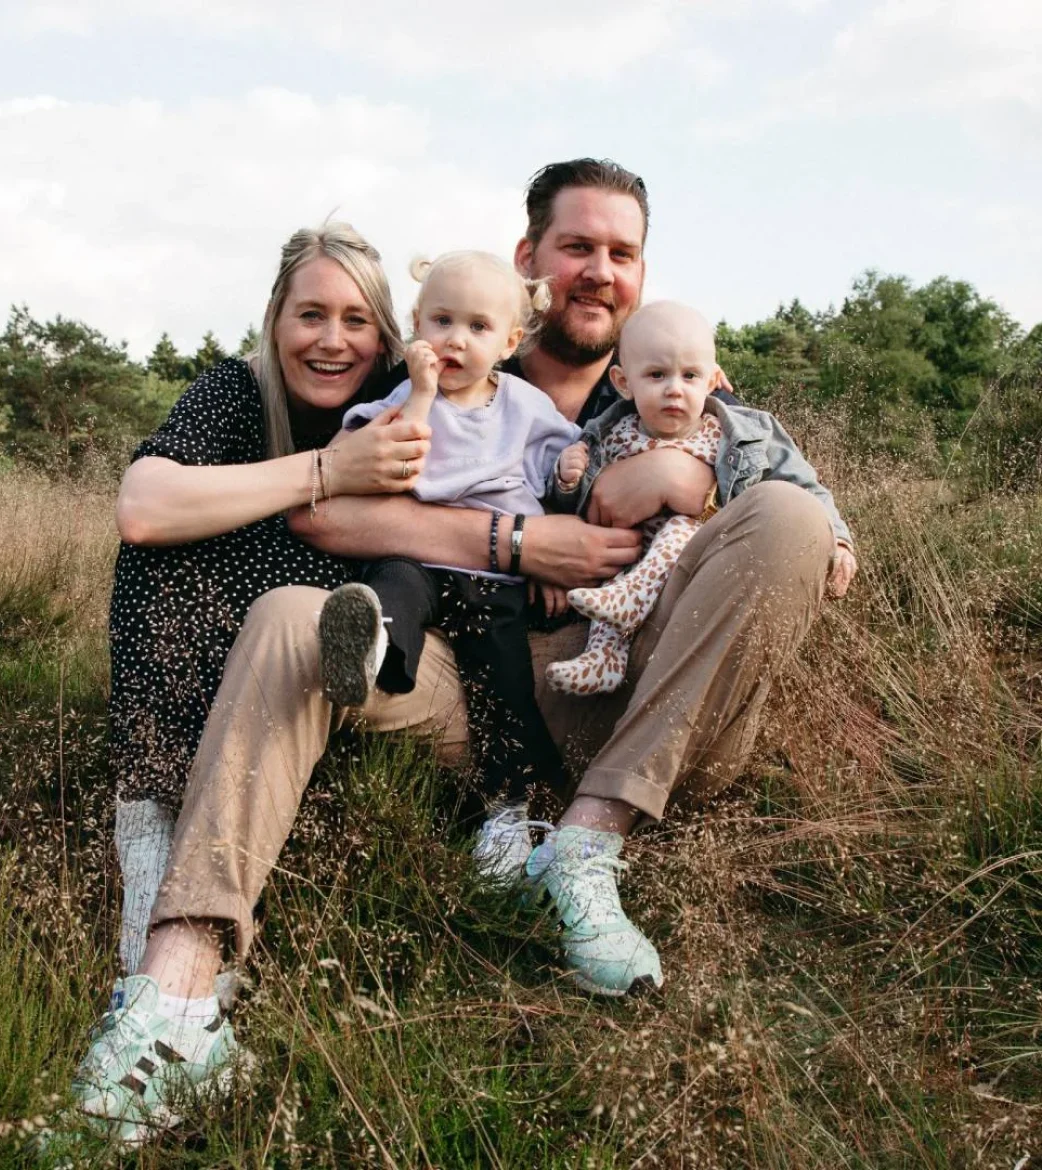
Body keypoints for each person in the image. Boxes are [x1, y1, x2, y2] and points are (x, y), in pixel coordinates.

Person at [62, 158, 856, 1147]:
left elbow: (812, 541)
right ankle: (175, 1002)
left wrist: (682, 482)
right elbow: (329, 513)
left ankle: (586, 842)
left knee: (784, 515)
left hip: (639, 700)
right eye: (577, 248)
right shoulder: (460, 364)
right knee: (288, 616)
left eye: (622, 254)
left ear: (644, 276)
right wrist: (515, 543)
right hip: (472, 690)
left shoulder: (688, 396)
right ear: (531, 265)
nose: (600, 272)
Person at [62, 220, 437, 1147]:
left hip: (386, 657)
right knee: (166, 551)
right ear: (274, 321)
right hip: (261, 667)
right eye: (310, 313)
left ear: (387, 334)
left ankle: (167, 967)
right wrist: (322, 471)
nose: (331, 339)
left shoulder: (410, 401)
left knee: (299, 597)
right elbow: (142, 509)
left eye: (356, 319)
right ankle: (154, 838)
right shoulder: (240, 391)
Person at [318, 250, 579, 882]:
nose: (455, 340)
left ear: (510, 341)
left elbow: (559, 473)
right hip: (417, 550)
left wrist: (562, 500)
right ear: (416, 326)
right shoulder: (407, 396)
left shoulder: (525, 405)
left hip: (494, 573)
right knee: (394, 588)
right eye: (441, 321)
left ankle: (506, 814)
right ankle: (369, 647)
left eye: (478, 328)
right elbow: (395, 463)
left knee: (502, 676)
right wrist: (424, 394)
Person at [545, 300, 854, 696]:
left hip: (700, 575)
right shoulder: (607, 434)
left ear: (712, 379)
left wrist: (840, 539)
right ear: (624, 382)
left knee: (679, 528)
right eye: (656, 375)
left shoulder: (741, 434)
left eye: (690, 375)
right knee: (614, 581)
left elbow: (804, 487)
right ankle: (603, 660)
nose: (675, 388)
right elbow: (573, 508)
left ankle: (629, 603)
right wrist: (567, 479)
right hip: (623, 567)